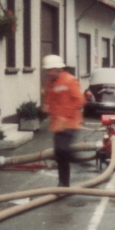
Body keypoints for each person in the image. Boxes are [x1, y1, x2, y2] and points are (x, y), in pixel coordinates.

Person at [42, 54, 84, 187]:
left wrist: (65, 115)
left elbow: (80, 101)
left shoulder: (70, 81)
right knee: (59, 153)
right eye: (47, 70)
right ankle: (63, 183)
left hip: (70, 123)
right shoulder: (50, 82)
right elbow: (50, 97)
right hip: (57, 124)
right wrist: (46, 105)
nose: (48, 72)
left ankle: (66, 180)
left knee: (62, 151)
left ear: (58, 69)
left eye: (50, 70)